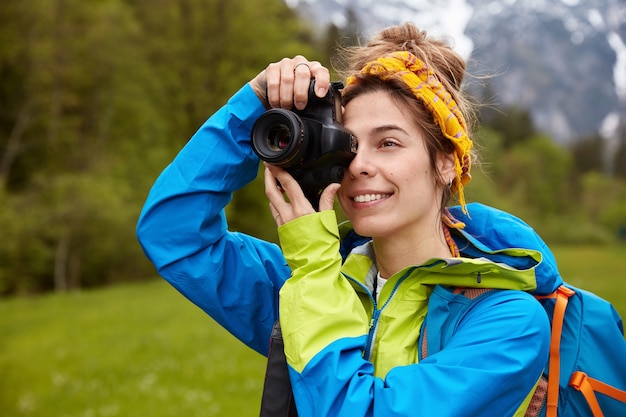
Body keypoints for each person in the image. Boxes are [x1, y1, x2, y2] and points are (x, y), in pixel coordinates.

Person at [137, 23, 559, 416]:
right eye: (350, 145)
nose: (359, 166)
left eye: (389, 143)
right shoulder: (305, 278)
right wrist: (254, 102)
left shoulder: (508, 321)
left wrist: (315, 266)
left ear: (447, 163)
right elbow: (172, 232)